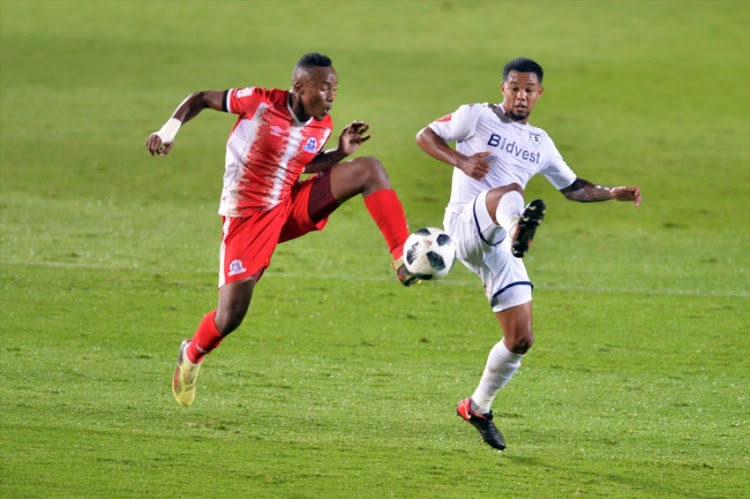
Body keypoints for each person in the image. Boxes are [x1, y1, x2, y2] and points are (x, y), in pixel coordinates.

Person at [146, 52, 419, 407]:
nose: (332, 95)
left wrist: (340, 151)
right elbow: (200, 99)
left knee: (369, 168)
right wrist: (168, 131)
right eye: (324, 88)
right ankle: (192, 353)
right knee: (230, 317)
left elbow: (304, 163)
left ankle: (403, 258)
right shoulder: (259, 102)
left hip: (288, 205)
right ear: (298, 87)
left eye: (335, 88)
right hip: (247, 217)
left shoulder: (322, 124)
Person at [415, 57, 641, 450]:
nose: (521, 95)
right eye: (514, 88)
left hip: (501, 243)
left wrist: (610, 193)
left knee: (520, 339)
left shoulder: (541, 142)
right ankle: (518, 226)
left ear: (539, 94)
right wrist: (461, 160)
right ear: (502, 87)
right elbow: (426, 136)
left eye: (529, 90)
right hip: (465, 225)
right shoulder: (476, 116)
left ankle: (477, 407)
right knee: (512, 193)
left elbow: (572, 187)